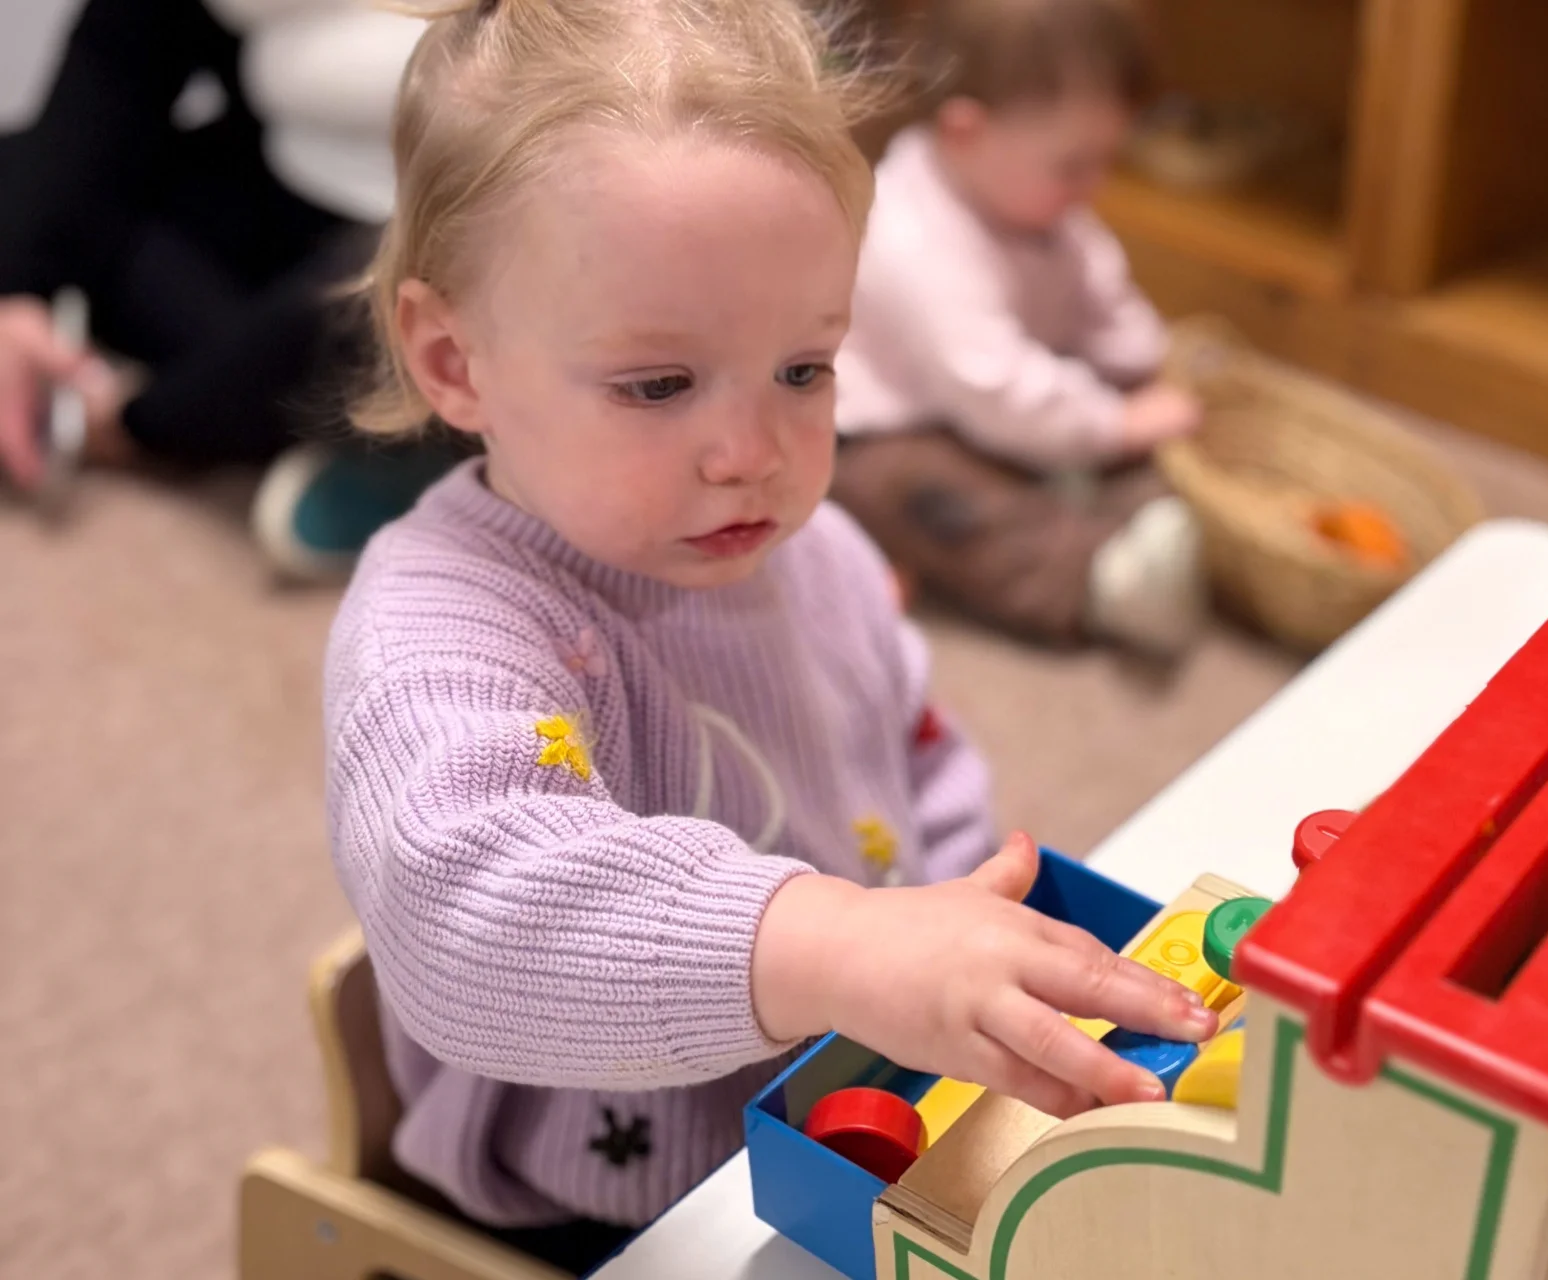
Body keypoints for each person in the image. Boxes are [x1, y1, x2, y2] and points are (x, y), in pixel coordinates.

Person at [324, 0, 1218, 1271]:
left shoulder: (823, 552)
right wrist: (840, 945)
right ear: (453, 360)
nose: (754, 455)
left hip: (856, 1111)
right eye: (657, 384)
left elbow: (915, 758)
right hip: (615, 1196)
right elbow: (462, 913)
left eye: (805, 368)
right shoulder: (441, 627)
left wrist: (961, 912)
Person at [0, 0, 456, 580]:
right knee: (26, 175)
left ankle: (147, 425)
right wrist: (15, 297)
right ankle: (373, 434)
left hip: (453, 233)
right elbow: (115, 65)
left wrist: (136, 424)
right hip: (284, 195)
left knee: (371, 301)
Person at [830, 0, 1209, 658]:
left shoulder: (1033, 198)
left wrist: (1146, 362)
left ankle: (1143, 506)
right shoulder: (909, 239)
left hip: (1009, 398)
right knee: (930, 500)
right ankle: (1096, 576)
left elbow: (1101, 295)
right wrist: (1116, 425)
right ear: (966, 131)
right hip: (885, 429)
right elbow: (994, 385)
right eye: (1072, 167)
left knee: (1125, 425)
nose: (1093, 186)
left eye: (1106, 160)